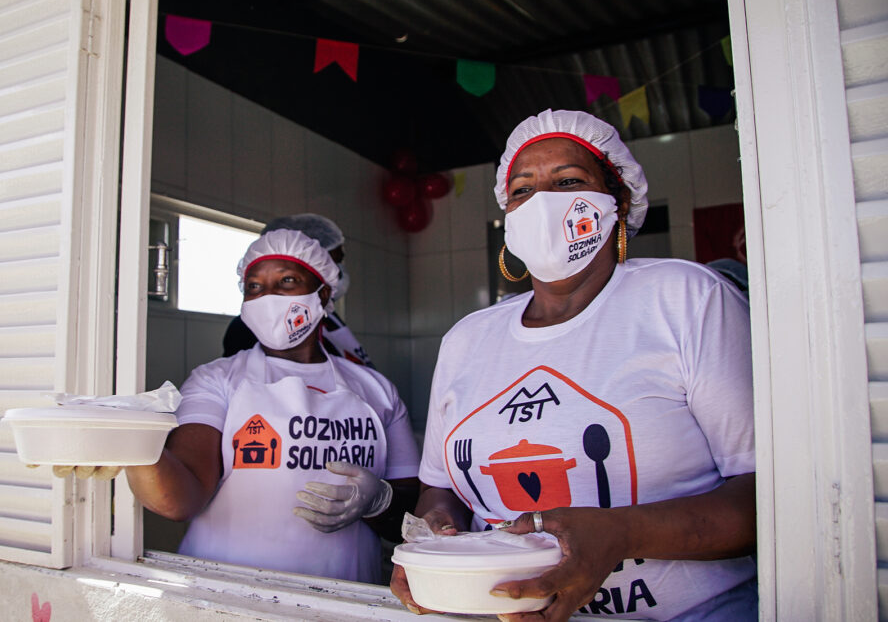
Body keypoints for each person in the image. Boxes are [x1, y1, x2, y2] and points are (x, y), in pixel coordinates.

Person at [391, 110, 756, 620]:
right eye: (522, 191)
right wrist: (433, 537)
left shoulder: (687, 300)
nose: (542, 203)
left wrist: (621, 533)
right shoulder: (467, 340)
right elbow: (443, 487)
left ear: (618, 201)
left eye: (567, 181)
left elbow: (765, 496)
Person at [127, 229, 420, 584]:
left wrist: (380, 502)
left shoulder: (377, 391)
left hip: (347, 596)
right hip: (225, 593)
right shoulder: (216, 380)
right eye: (254, 287)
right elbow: (178, 500)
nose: (268, 297)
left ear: (322, 294)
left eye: (287, 282)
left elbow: (416, 514)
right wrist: (133, 443)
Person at [222, 213, 376, 368]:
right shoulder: (254, 327)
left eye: (338, 262)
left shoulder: (327, 317)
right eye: (331, 262)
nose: (338, 272)